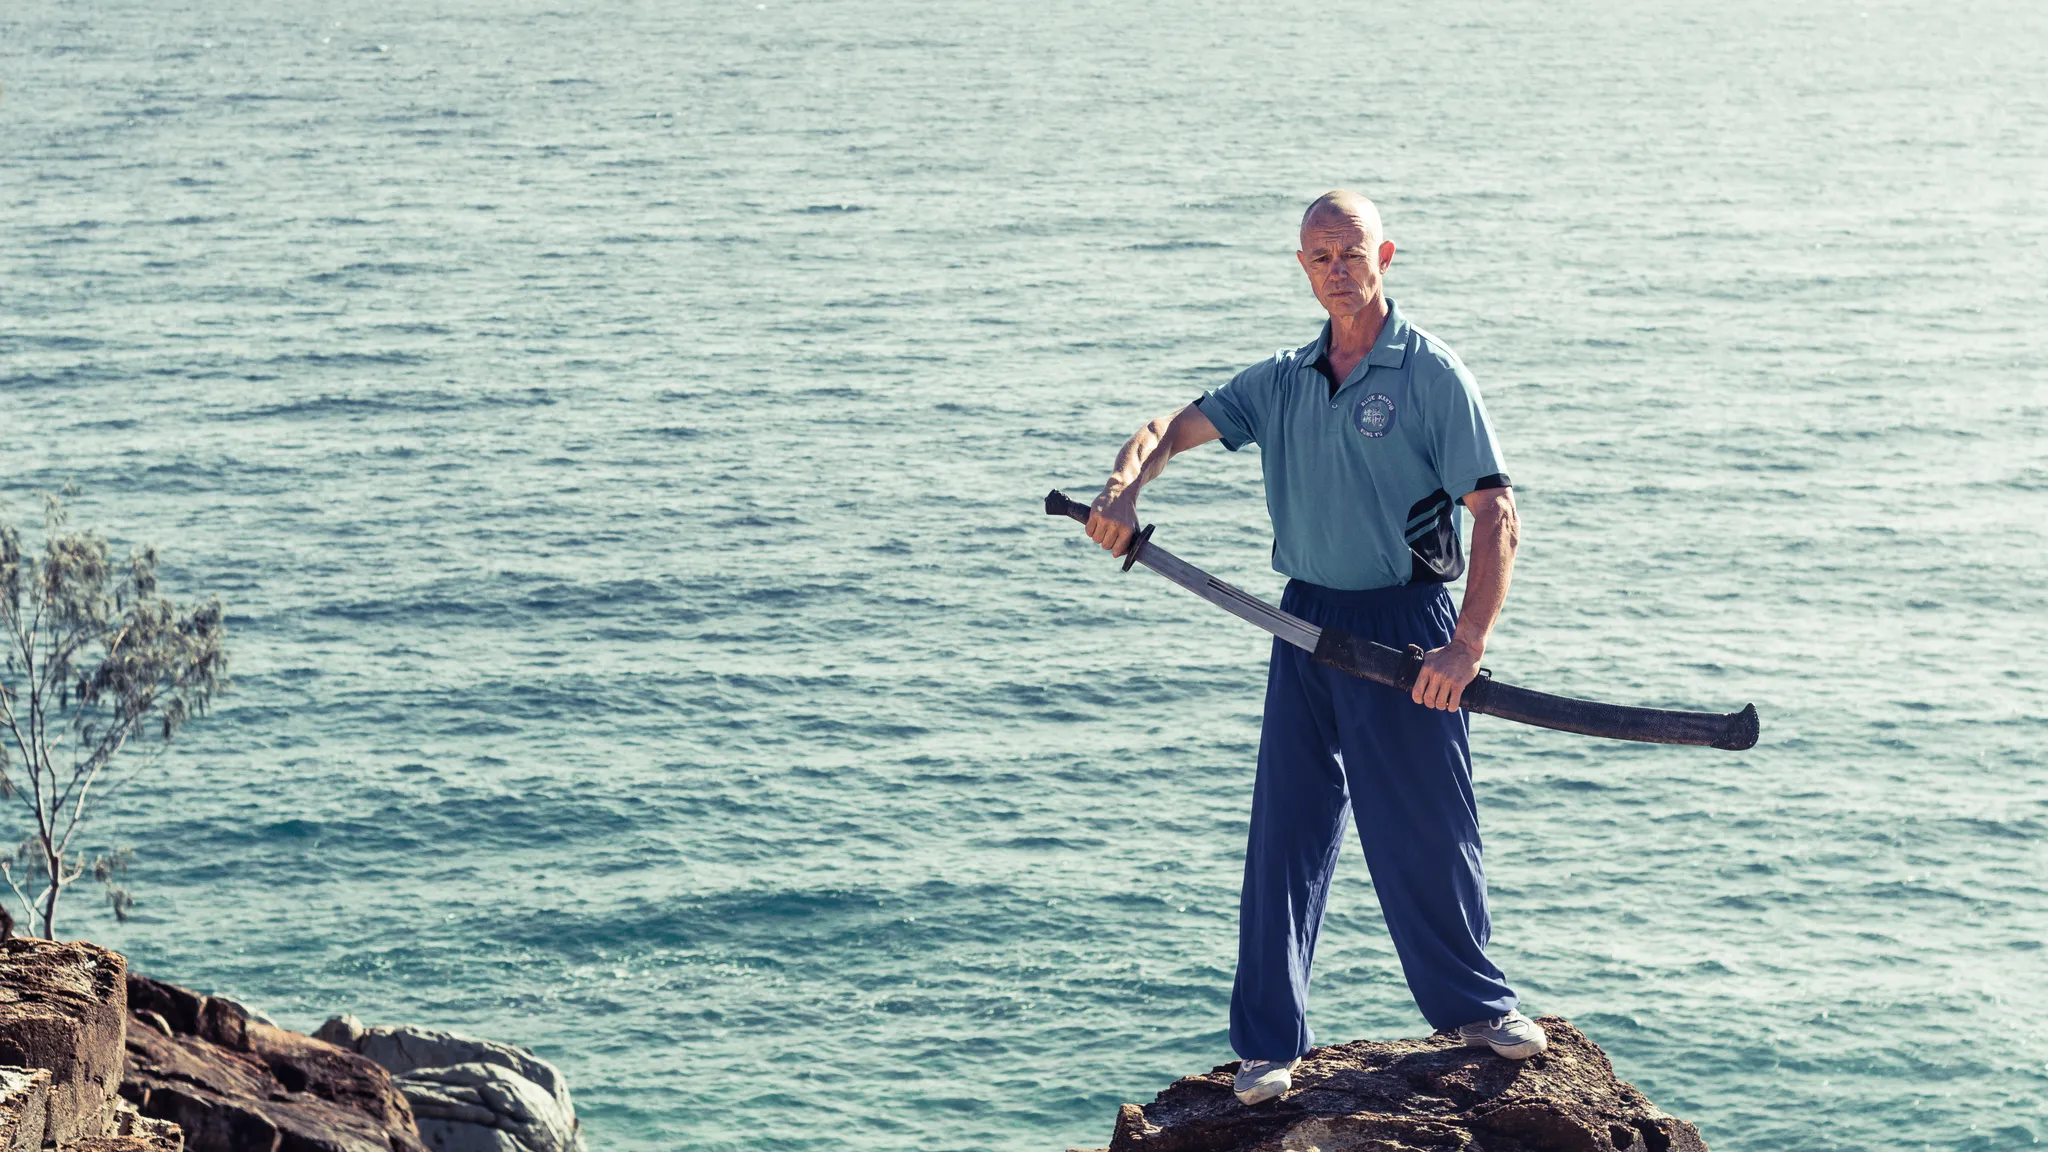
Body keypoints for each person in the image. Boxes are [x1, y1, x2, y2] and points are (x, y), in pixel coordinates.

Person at [1084, 190, 1543, 1107]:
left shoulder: (1431, 374)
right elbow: (1169, 428)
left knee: (1426, 827)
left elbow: (1495, 512)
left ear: (1386, 255)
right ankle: (1267, 1047)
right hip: (1301, 624)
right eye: (1320, 257)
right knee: (1285, 830)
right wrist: (1122, 489)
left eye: (1352, 252)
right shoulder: (1284, 379)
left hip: (1405, 628)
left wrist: (1466, 645)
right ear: (1303, 267)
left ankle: (1477, 1008)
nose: (1338, 270)